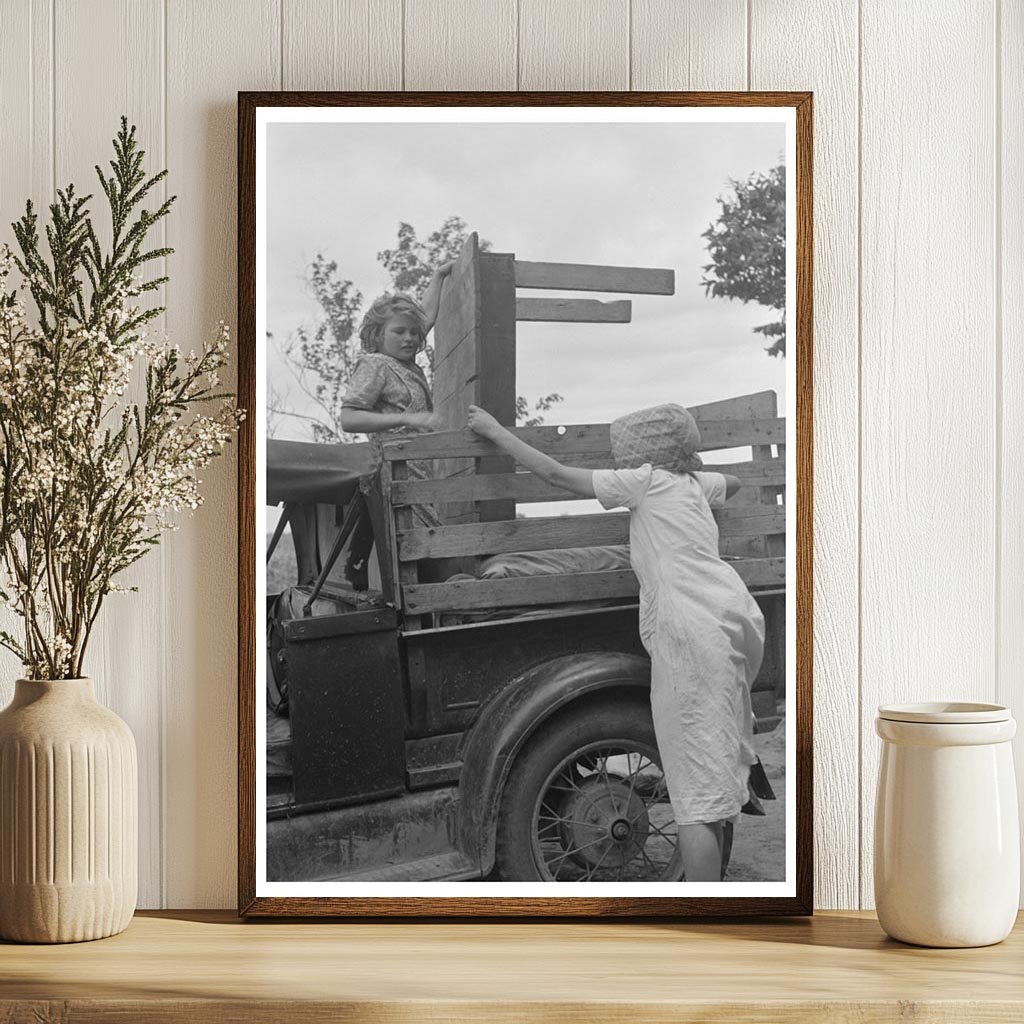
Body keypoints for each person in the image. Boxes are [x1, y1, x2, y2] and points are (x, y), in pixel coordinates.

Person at [466, 401, 766, 882]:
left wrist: (494, 430)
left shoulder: (644, 482)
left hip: (689, 632)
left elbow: (556, 475)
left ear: (641, 453)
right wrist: (692, 467)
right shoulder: (693, 484)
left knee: (693, 798)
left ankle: (705, 912)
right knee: (713, 768)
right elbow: (734, 482)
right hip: (732, 616)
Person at [338, 264, 453, 589]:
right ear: (378, 335)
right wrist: (406, 419)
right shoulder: (376, 364)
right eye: (399, 332)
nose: (410, 338)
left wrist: (439, 276)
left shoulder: (405, 362)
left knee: (426, 551)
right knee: (423, 556)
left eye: (413, 333)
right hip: (394, 475)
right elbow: (349, 417)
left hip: (418, 474)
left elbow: (424, 319)